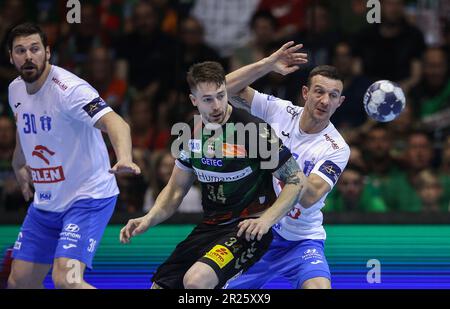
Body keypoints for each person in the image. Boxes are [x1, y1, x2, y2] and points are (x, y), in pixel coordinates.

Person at [120, 60, 308, 289]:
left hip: (247, 228)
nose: (217, 105)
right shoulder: (189, 131)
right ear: (194, 101)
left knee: (196, 281)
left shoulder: (253, 130)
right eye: (208, 99)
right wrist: (148, 219)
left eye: (221, 95)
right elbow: (176, 189)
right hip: (209, 227)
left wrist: (266, 220)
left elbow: (297, 180)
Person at [6, 23, 140, 289]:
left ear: (47, 52)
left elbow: (116, 123)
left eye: (35, 49)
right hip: (46, 202)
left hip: (87, 196)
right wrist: (19, 161)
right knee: (19, 282)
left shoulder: (70, 90)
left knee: (67, 280)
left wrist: (123, 156)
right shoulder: (15, 90)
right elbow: (25, 126)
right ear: (11, 57)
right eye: (20, 51)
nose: (28, 56)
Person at [224, 42, 350, 289]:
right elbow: (223, 89)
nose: (325, 100)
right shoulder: (281, 111)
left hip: (301, 241)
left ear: (340, 102)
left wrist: (277, 152)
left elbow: (309, 197)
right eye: (319, 92)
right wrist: (266, 65)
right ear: (305, 93)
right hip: (258, 232)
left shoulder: (336, 148)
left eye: (333, 96)